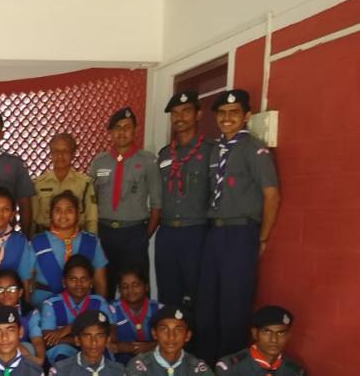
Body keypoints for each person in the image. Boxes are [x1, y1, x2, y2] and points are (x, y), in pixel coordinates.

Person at [196, 89, 281, 362]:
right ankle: (207, 367)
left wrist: (262, 238)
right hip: (214, 232)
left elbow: (272, 195)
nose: (227, 118)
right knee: (207, 304)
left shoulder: (254, 149)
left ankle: (229, 368)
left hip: (240, 233)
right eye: (221, 113)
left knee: (233, 307)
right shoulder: (214, 150)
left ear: (246, 116)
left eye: (234, 112)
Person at [87, 107, 161, 299]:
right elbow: (90, 202)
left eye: (127, 127)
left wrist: (143, 236)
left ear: (135, 130)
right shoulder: (99, 162)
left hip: (134, 233)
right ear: (111, 132)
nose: (122, 132)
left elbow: (156, 205)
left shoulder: (148, 161)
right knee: (103, 287)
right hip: (104, 233)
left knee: (136, 289)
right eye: (117, 128)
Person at [155, 92, 210, 308]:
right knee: (167, 292)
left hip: (196, 232)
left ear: (198, 114)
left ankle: (195, 332)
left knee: (198, 293)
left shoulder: (211, 151)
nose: (180, 117)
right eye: (175, 113)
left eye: (186, 111)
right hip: (167, 232)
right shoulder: (164, 155)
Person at [30, 190, 108, 305]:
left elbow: (100, 282)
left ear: (78, 214)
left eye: (69, 210)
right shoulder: (37, 242)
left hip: (83, 305)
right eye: (57, 210)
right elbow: (27, 279)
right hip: (43, 303)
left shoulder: (91, 242)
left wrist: (99, 308)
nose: (63, 215)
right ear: (50, 214)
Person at [40, 255, 111, 364]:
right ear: (64, 282)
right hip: (65, 353)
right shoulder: (51, 304)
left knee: (106, 352)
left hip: (94, 349)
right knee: (61, 353)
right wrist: (84, 338)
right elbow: (48, 340)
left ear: (91, 282)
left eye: (84, 279)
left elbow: (111, 334)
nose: (79, 284)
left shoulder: (99, 302)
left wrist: (69, 329)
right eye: (73, 279)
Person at [31, 133, 97, 234]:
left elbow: (91, 219)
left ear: (73, 154)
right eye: (55, 151)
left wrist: (92, 240)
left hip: (76, 237)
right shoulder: (38, 184)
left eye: (65, 151)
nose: (60, 155)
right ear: (51, 154)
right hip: (46, 237)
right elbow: (33, 219)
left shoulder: (84, 184)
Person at [0, 268, 44, 365]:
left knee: (29, 347)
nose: (6, 294)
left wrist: (40, 359)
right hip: (0, 350)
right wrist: (18, 347)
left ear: (20, 292)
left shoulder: (29, 313)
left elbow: (37, 340)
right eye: (0, 290)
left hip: (25, 352)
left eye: (12, 289)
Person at [109, 266, 160, 365]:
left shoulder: (158, 309)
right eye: (125, 286)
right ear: (119, 290)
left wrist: (151, 346)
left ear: (146, 287)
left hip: (153, 365)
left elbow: (170, 341)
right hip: (120, 366)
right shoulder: (111, 310)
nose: (130, 290)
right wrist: (133, 348)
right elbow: (109, 344)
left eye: (135, 285)